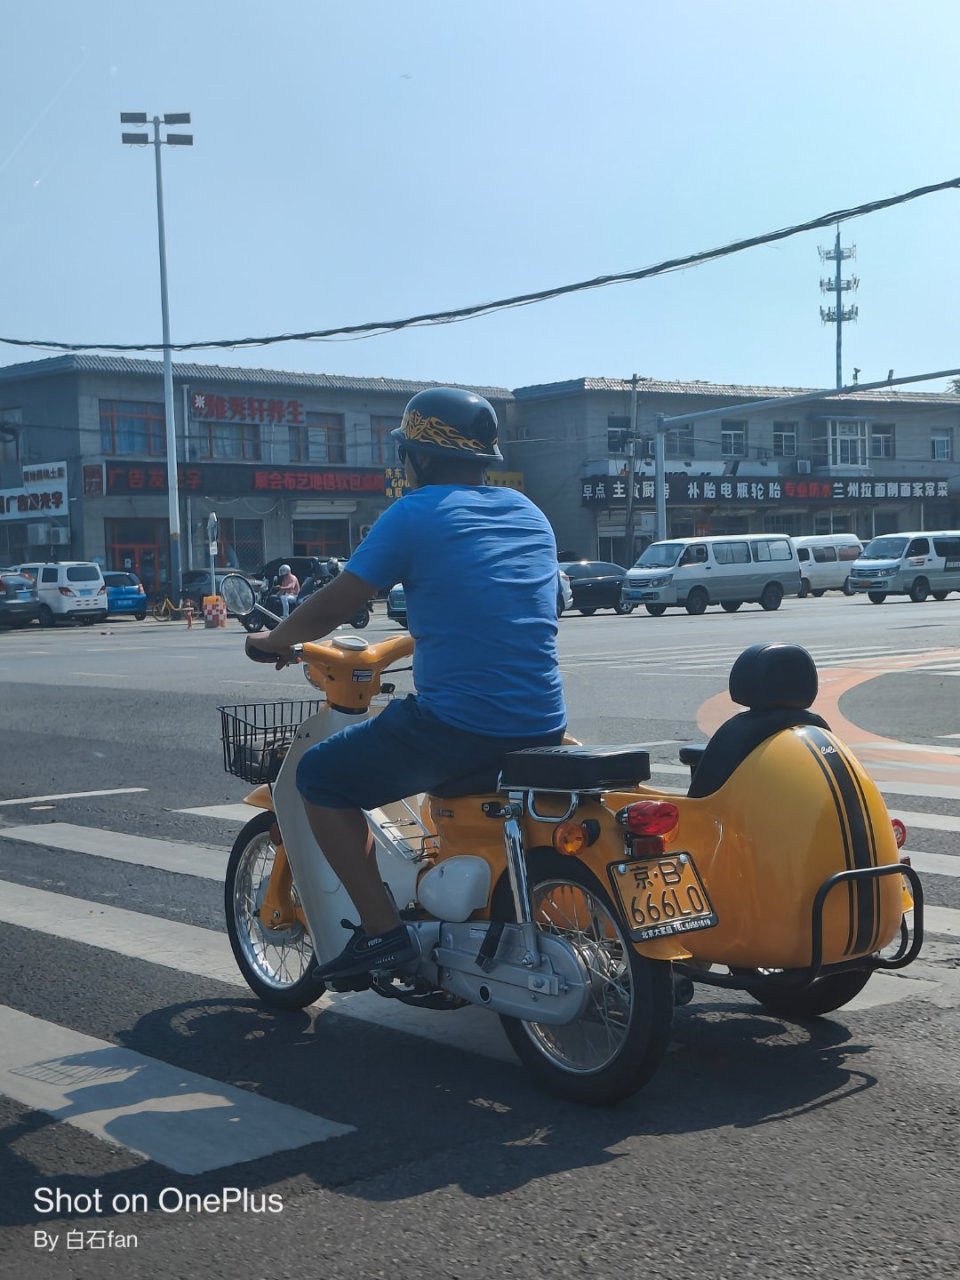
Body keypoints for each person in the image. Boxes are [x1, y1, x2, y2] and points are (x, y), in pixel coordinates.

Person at [244, 387, 566, 981]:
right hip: (544, 720)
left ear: (416, 456)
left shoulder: (415, 513)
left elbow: (339, 601)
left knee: (320, 778)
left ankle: (382, 933)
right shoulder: (529, 512)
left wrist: (273, 641)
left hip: (460, 727)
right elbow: (533, 603)